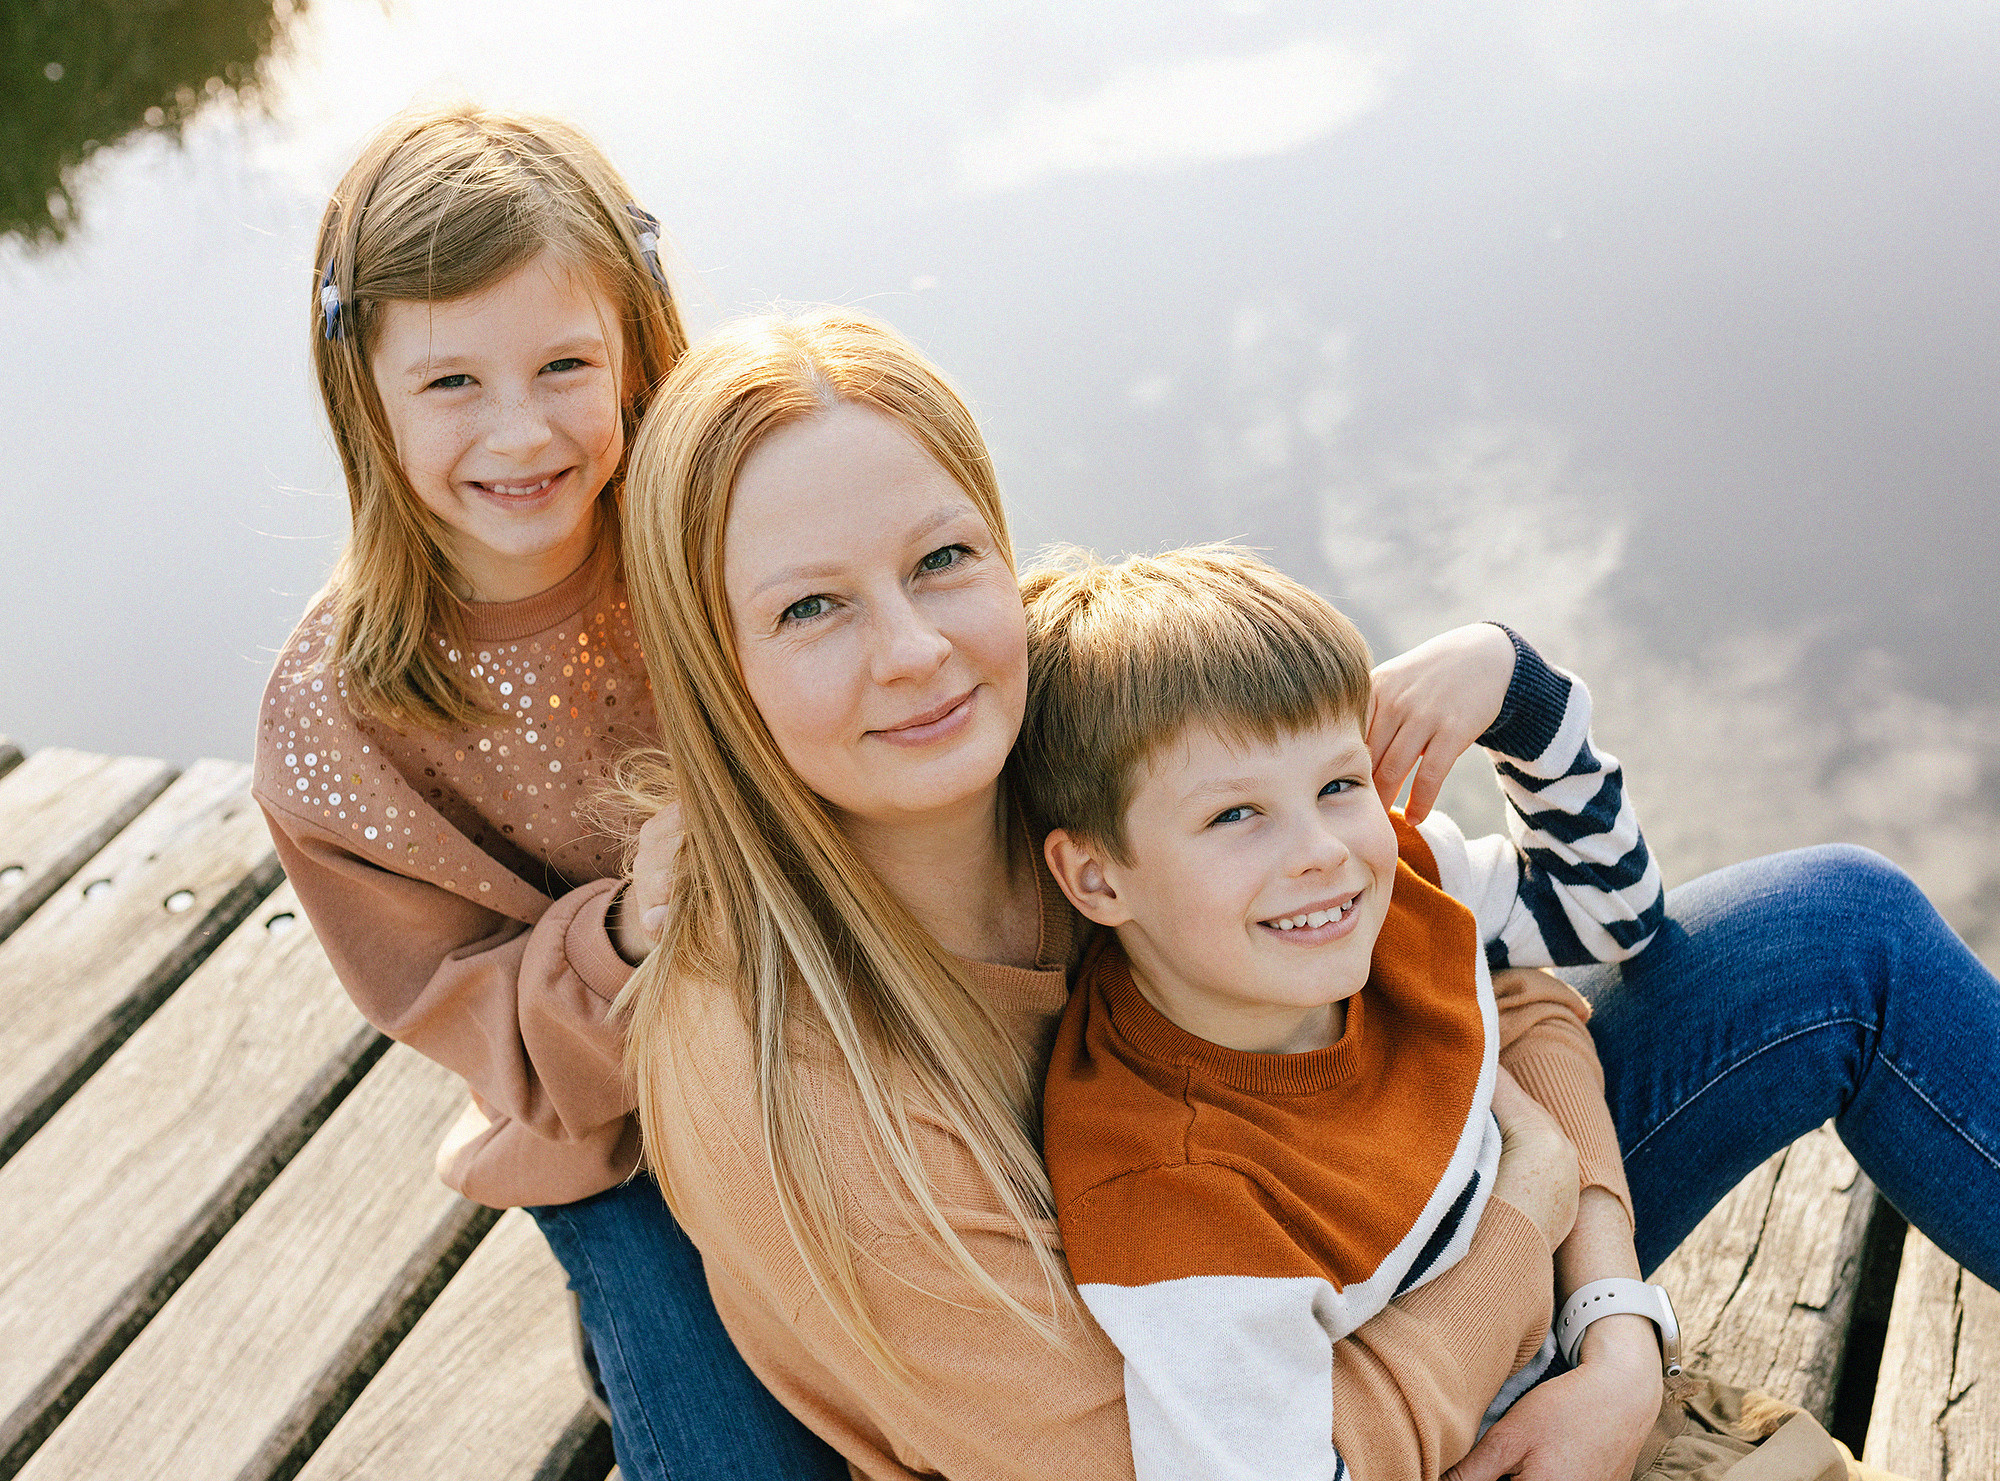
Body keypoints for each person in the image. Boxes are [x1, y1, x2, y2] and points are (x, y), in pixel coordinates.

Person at [614, 305, 2000, 1481]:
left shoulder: (1069, 720)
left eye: (943, 558)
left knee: (1840, 933)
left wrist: (1616, 1318)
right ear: (714, 667)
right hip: (1291, 1424)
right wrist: (1524, 1221)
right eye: (811, 608)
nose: (916, 648)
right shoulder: (782, 1076)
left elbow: (1487, 981)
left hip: (1398, 1228)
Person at [251, 104, 848, 1480]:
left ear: (638, 348)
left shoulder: (729, 526)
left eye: (566, 363)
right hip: (613, 1129)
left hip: (835, 1028)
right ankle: (637, 1333)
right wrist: (628, 939)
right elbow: (472, 1022)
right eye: (452, 383)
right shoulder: (332, 725)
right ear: (367, 396)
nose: (519, 432)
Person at [1023, 546, 1898, 1481]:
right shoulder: (1170, 1191)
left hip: (1611, 1384)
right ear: (1095, 875)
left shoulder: (1381, 883)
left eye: (1338, 782)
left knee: (1849, 913)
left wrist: (1516, 689)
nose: (1320, 850)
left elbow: (1611, 911)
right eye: (1236, 815)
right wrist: (1538, 1193)